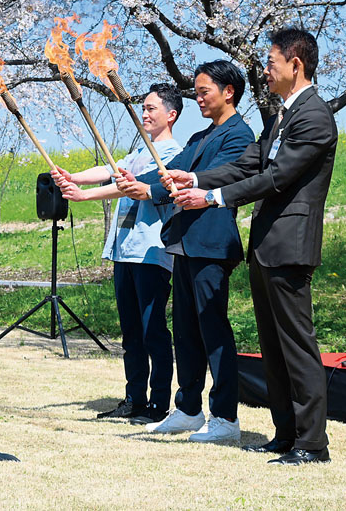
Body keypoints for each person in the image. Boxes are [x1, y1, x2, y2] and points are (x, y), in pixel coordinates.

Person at [164, 28, 337, 465]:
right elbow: (250, 164)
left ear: (295, 64)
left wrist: (213, 198)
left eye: (271, 63)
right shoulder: (281, 116)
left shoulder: (315, 116)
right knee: (272, 346)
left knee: (296, 345)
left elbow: (276, 176)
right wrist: (196, 178)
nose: (265, 71)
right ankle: (285, 435)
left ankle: (312, 444)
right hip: (266, 245)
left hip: (290, 246)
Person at [119, 60, 254, 442]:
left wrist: (172, 184)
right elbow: (168, 172)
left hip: (212, 243)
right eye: (196, 92)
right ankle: (189, 409)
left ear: (229, 92)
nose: (198, 98)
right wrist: (136, 183)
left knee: (212, 329)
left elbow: (220, 176)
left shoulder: (240, 135)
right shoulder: (199, 137)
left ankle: (225, 416)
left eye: (204, 91)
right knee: (186, 331)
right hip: (183, 242)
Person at [51, 83, 183, 423]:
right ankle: (134, 399)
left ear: (171, 115)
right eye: (143, 108)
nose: (144, 114)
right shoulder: (139, 150)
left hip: (151, 253)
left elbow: (129, 187)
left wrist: (84, 196)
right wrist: (73, 177)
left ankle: (158, 405)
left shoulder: (173, 155)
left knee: (153, 331)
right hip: (124, 252)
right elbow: (110, 171)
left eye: (151, 108)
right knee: (131, 334)